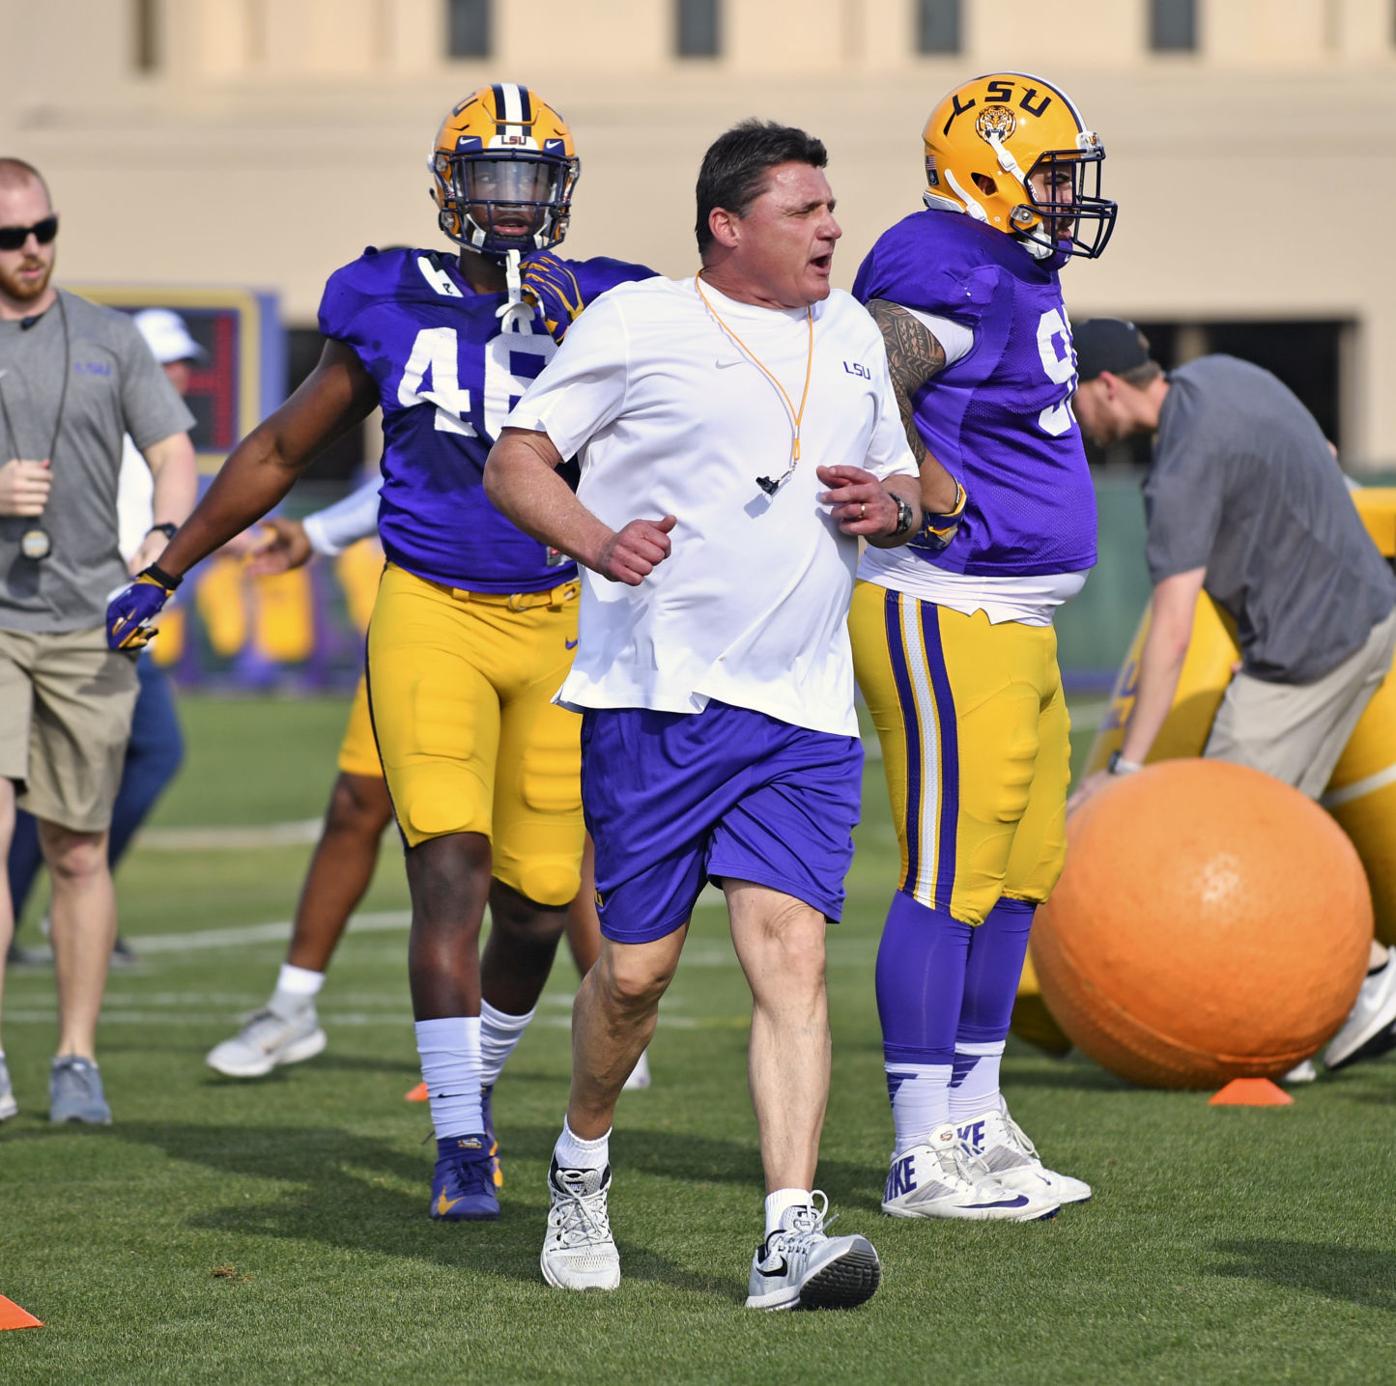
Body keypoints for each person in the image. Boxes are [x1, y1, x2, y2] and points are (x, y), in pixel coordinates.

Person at [106, 85, 652, 1215]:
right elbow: (278, 445)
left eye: (530, 183)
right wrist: (170, 565)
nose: (510, 207)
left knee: (542, 903)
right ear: (449, 192)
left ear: (560, 193)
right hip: (431, 613)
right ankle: (461, 1142)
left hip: (560, 623)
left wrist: (601, 340)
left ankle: (475, 1085)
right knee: (444, 866)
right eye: (489, 182)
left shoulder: (613, 302)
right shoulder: (388, 297)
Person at [486, 119, 921, 1310]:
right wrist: (594, 537)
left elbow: (904, 476)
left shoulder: (853, 337)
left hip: (803, 707)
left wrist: (890, 504)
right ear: (728, 225)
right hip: (658, 701)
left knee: (790, 956)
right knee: (633, 976)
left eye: (834, 207)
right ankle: (581, 1162)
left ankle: (789, 1232)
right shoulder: (636, 325)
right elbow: (517, 462)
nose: (832, 226)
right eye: (804, 210)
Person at [846, 73, 1116, 1221]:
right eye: (1050, 174)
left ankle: (973, 1115)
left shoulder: (1016, 264)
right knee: (948, 881)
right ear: (989, 171)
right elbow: (861, 361)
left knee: (1018, 880)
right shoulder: (938, 257)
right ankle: (917, 1153)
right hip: (945, 604)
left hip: (1017, 617)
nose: (1066, 197)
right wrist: (911, 463)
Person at [204, 480, 653, 1095]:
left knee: (557, 840)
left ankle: (606, 1009)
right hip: (431, 613)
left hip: (555, 609)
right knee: (363, 802)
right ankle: (293, 1006)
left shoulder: (579, 380)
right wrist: (318, 532)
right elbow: (421, 449)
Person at [1068, 318, 1396, 1073]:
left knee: (1225, 828)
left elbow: (1173, 628)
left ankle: (1365, 979)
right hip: (1371, 614)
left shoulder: (1178, 468)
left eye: (1074, 396)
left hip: (1310, 654)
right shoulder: (1225, 375)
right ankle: (1330, 999)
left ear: (1108, 385)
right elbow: (1325, 454)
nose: (1074, 417)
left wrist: (1127, 772)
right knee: (1287, 831)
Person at [0, 158, 196, 1124]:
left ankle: (75, 1058)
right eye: (11, 238)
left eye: (44, 231)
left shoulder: (111, 339)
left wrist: (162, 545)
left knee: (77, 852)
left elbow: (173, 454)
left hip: (89, 624)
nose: (30, 250)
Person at [6, 308, 201, 967]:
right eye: (168, 361)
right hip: (90, 622)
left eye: (181, 363)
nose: (178, 374)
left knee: (80, 776)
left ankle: (78, 902)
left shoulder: (152, 440)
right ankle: (74, 902)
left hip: (121, 624)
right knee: (114, 765)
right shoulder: (110, 432)